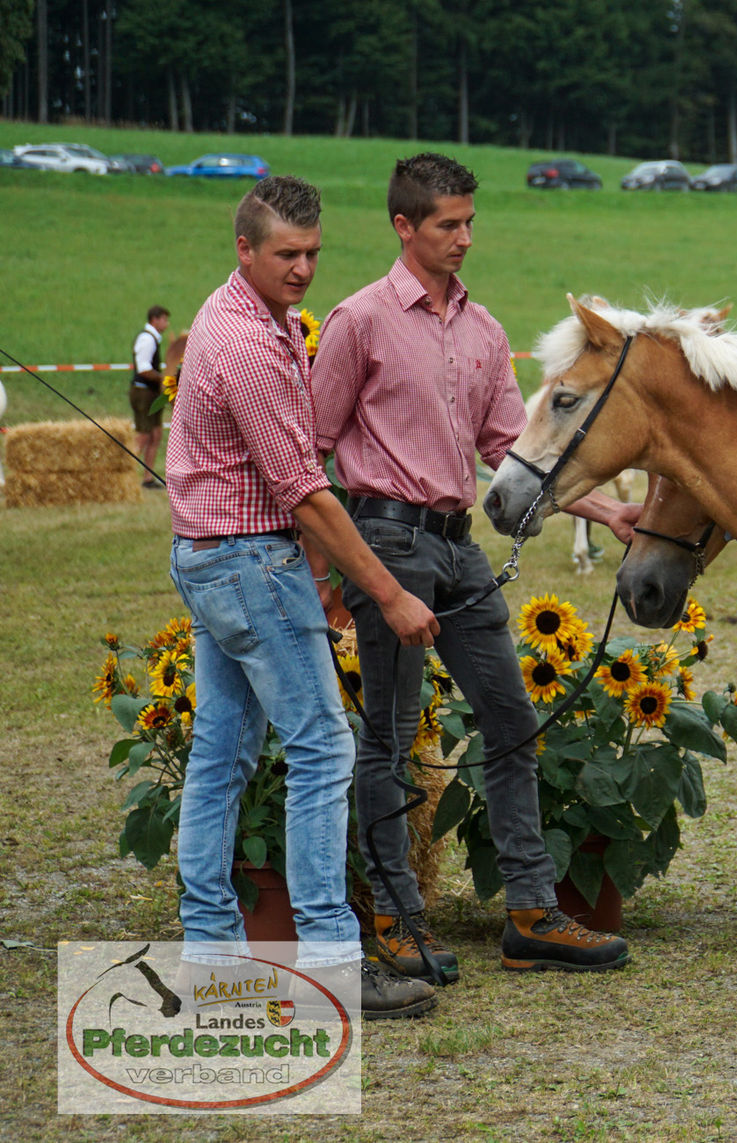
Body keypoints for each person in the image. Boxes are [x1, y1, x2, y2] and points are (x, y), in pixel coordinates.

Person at [312, 153, 637, 983]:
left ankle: (530, 913)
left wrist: (606, 511)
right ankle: (393, 921)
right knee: (387, 736)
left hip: (457, 544)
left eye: (468, 224)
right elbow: (310, 450)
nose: (462, 239)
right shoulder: (358, 321)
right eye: (446, 225)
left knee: (513, 721)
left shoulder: (486, 329)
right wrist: (323, 576)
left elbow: (509, 450)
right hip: (382, 539)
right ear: (403, 226)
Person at [164, 175, 442, 1019]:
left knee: (220, 752)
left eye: (314, 253)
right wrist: (387, 593)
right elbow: (304, 489)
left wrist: (318, 574)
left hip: (217, 558)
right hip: (249, 561)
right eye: (287, 253)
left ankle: (210, 951)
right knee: (324, 747)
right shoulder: (247, 343)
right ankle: (329, 961)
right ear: (243, 247)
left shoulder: (253, 316)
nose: (303, 269)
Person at [131, 305, 172, 486]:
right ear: (155, 320)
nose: (167, 323)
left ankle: (148, 477)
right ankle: (126, 474)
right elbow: (144, 369)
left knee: (155, 434)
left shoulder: (153, 338)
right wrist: (164, 378)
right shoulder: (147, 339)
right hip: (143, 392)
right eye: (164, 319)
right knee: (144, 435)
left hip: (151, 392)